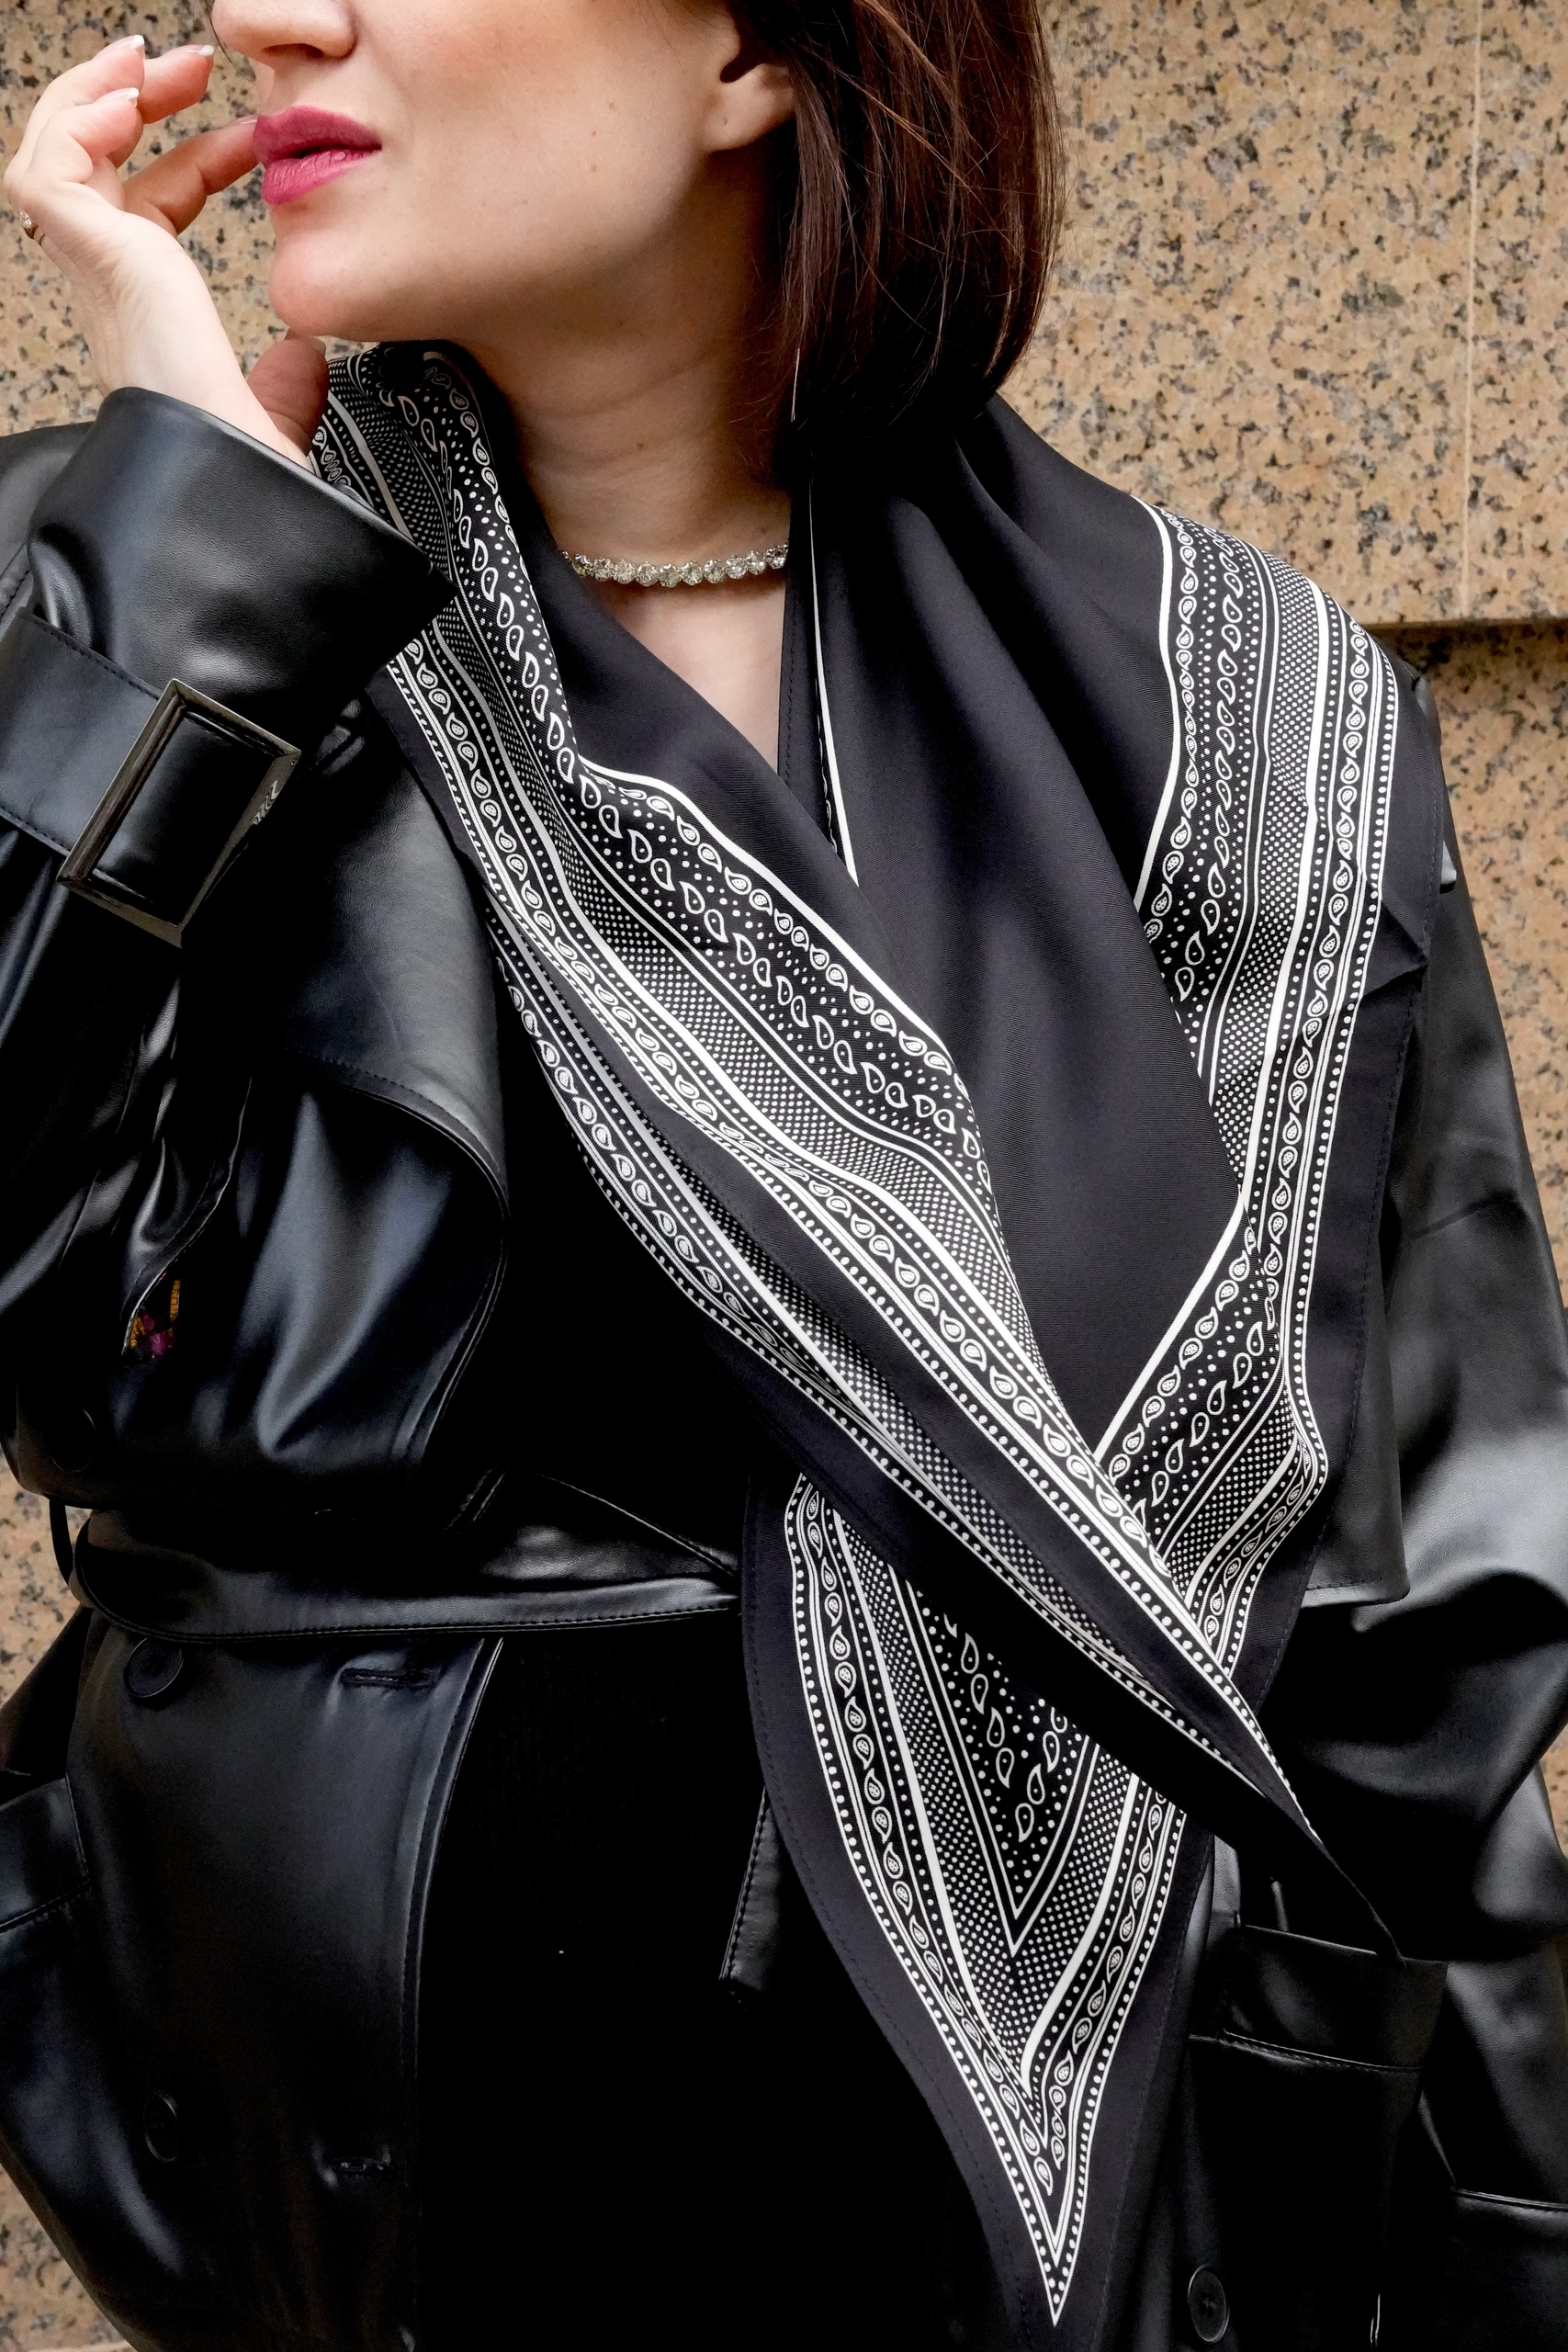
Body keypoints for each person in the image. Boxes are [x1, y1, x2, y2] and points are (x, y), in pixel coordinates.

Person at [0, 6, 1563, 2348]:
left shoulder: (1246, 716)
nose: (271, 15)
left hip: (1102, 2244)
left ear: (747, 51)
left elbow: (1418, 1636)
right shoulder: (145, 608)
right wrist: (196, 563)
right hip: (424, 2248)